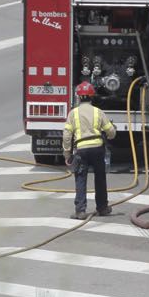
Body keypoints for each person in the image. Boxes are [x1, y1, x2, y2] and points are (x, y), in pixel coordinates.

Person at [63, 81, 116, 218]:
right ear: (92, 97)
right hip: (98, 149)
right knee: (100, 178)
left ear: (79, 97)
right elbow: (110, 132)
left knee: (80, 178)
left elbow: (67, 135)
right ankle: (102, 208)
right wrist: (111, 133)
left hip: (81, 150)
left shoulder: (73, 114)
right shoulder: (98, 112)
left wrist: (67, 153)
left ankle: (80, 211)